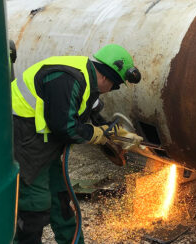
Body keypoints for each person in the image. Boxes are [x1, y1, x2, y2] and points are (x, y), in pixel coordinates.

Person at [11, 44, 141, 244]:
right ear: (107, 77)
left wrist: (119, 136)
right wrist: (96, 135)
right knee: (35, 207)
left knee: (62, 200)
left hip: (44, 143)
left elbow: (93, 116)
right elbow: (65, 127)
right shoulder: (68, 80)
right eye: (115, 85)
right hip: (24, 140)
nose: (112, 90)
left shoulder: (88, 80)